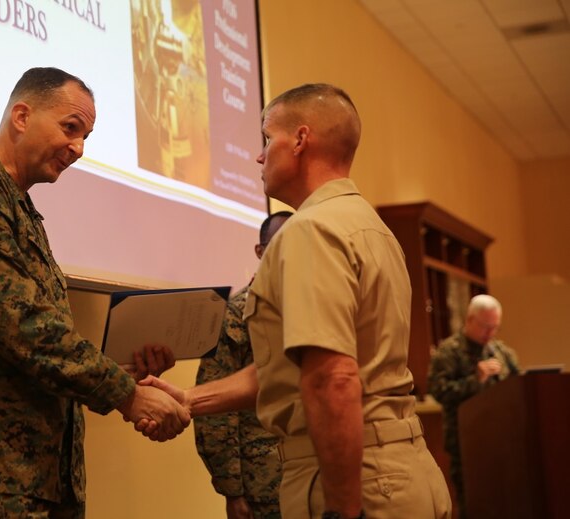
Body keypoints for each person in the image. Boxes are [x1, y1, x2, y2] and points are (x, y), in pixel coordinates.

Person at [139, 83, 451, 519]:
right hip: (399, 469)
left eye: (268, 138)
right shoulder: (371, 227)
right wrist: (189, 400)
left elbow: (331, 380)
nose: (259, 155)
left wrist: (343, 510)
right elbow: (294, 369)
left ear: (301, 140)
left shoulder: (310, 231)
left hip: (353, 480)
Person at [0, 67, 190, 518]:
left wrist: (123, 371)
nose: (78, 148)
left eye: (86, 137)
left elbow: (27, 334)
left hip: (41, 472)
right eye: (70, 128)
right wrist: (126, 396)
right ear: (21, 115)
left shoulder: (17, 204)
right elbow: (16, 321)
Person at [195, 210, 292, 519]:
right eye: (280, 244)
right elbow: (216, 410)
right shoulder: (238, 313)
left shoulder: (309, 303)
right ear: (260, 251)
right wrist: (232, 490)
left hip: (312, 469)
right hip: (262, 481)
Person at [427, 294, 519, 519]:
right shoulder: (449, 351)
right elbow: (439, 391)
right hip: (465, 441)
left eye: (495, 327)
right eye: (485, 327)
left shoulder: (501, 352)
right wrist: (475, 380)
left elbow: (519, 386)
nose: (490, 333)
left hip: (502, 440)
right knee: (474, 503)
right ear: (469, 320)